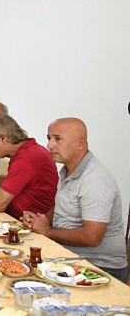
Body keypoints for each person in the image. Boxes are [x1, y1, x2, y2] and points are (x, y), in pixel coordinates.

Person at [20, 118, 128, 282]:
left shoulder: (95, 180)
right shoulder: (67, 170)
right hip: (67, 256)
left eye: (58, 139)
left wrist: (47, 231)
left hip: (98, 268)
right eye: (49, 138)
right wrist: (42, 220)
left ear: (80, 144)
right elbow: (61, 205)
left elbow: (92, 236)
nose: (50, 145)